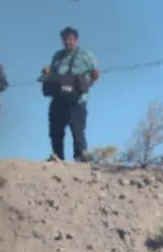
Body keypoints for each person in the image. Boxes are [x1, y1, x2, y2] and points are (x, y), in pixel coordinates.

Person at [40, 27, 99, 162]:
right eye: (65, 39)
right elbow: (52, 72)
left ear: (76, 40)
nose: (67, 41)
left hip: (77, 100)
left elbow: (95, 73)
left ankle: (80, 156)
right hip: (59, 98)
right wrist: (47, 72)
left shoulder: (86, 55)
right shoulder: (57, 56)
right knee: (55, 130)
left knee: (77, 129)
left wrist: (87, 83)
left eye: (70, 39)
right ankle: (57, 156)